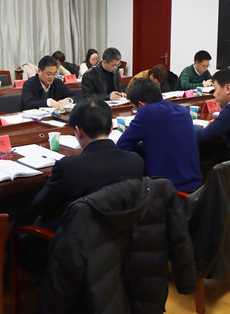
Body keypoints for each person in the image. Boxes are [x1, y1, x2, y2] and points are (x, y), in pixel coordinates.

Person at [21, 98, 144, 228]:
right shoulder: (135, 161)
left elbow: (41, 207)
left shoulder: (69, 166)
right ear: (111, 128)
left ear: (78, 131)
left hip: (77, 235)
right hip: (121, 233)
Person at [117, 78, 202, 193]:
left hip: (168, 192)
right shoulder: (183, 110)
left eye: (134, 108)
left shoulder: (146, 112)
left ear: (141, 104)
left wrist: (145, 145)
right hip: (196, 188)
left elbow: (121, 146)